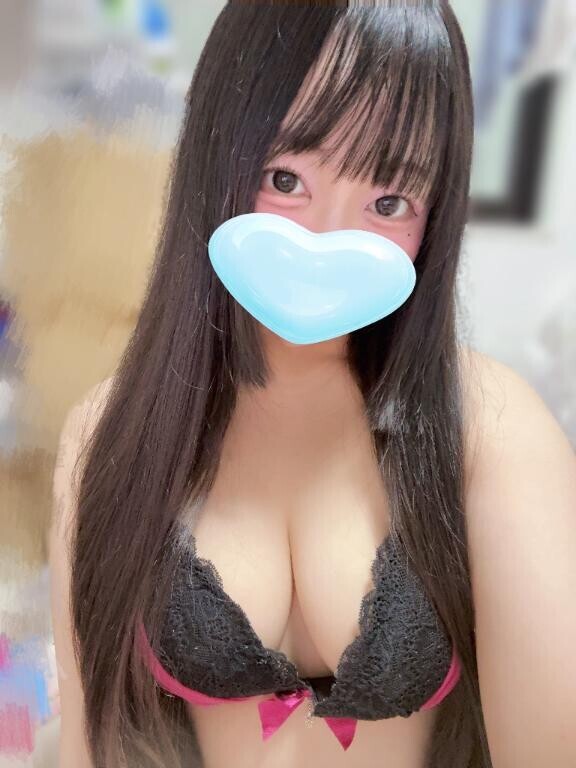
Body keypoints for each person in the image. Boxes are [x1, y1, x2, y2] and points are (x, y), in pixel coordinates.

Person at [49, 2, 576, 768]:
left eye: (387, 202)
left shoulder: (491, 428)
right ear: (218, 160)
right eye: (286, 178)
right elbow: (89, 744)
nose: (325, 240)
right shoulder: (109, 431)